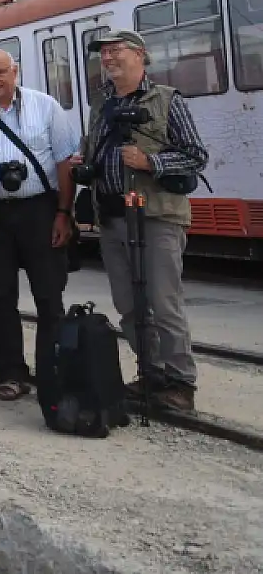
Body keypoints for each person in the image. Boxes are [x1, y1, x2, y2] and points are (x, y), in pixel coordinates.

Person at [79, 29, 209, 413]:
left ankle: (180, 381)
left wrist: (151, 162)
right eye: (104, 52)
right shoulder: (100, 103)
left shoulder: (167, 99)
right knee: (128, 303)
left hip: (155, 216)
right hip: (113, 216)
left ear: (140, 55)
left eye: (117, 50)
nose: (108, 57)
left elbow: (196, 156)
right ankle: (150, 374)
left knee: (163, 302)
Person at [0, 49, 78, 404]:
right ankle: (9, 373)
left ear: (15, 71)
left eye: (0, 72)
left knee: (49, 296)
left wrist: (63, 213)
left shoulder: (46, 107)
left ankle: (52, 372)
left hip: (40, 210)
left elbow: (64, 163)